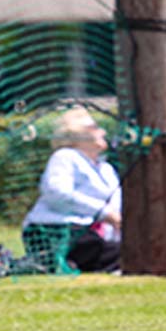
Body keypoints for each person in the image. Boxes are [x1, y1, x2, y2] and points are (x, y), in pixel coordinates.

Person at [22, 106, 121, 273]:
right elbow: (56, 193)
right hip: (57, 231)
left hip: (93, 234)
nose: (102, 132)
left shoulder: (106, 169)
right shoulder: (65, 157)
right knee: (123, 253)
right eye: (95, 128)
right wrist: (102, 212)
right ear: (76, 136)